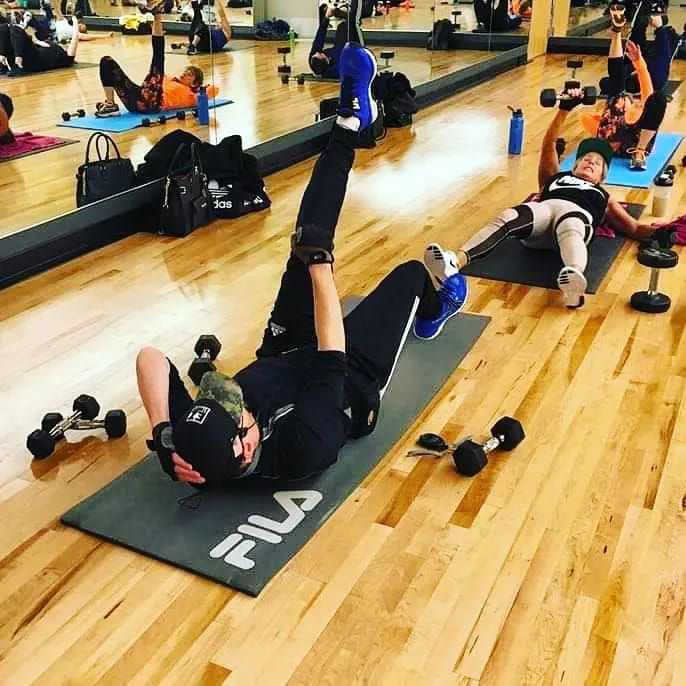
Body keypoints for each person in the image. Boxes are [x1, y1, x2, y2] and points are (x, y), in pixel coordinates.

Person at [137, 43, 468, 488]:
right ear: (247, 448)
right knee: (410, 274)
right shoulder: (306, 442)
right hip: (350, 373)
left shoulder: (199, 442)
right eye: (238, 413)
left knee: (307, 234)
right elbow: (332, 354)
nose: (231, 399)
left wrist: (164, 436)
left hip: (283, 351)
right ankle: (436, 311)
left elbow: (150, 358)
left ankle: (349, 122)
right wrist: (319, 264)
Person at [425, 89, 661, 310]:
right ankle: (454, 262)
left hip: (573, 222)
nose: (591, 161)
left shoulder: (604, 196)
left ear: (602, 176)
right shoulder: (555, 177)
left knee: (571, 223)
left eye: (598, 163)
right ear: (575, 165)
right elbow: (548, 145)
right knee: (510, 215)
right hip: (542, 219)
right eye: (586, 159)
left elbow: (633, 228)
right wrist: (564, 110)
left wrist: (661, 232)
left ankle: (573, 282)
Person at [583, 3, 671, 170]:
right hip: (637, 145)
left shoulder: (618, 105)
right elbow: (648, 89)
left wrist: (600, 118)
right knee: (657, 97)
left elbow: (587, 119)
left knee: (615, 84)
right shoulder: (638, 110)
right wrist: (639, 63)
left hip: (611, 143)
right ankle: (639, 153)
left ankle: (616, 31)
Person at [95, 1, 217, 117]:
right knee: (106, 62)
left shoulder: (191, 96)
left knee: (158, 59)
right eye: (186, 71)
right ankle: (110, 104)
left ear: (194, 83)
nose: (184, 74)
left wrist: (199, 89)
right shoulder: (169, 79)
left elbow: (214, 90)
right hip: (137, 100)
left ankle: (157, 15)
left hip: (152, 104)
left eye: (189, 74)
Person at [0, 13, 80, 75]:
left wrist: (75, 22)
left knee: (11, 28)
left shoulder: (66, 58)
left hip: (33, 61)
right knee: (7, 28)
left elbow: (75, 36)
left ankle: (13, 57)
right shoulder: (50, 47)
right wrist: (37, 42)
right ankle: (5, 57)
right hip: (26, 57)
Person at [310, 0, 364, 79]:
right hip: (352, 46)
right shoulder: (335, 69)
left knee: (342, 26)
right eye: (320, 54)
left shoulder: (314, 60)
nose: (318, 52)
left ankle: (344, 11)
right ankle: (351, 11)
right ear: (326, 59)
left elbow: (319, 37)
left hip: (341, 41)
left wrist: (326, 18)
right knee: (352, 22)